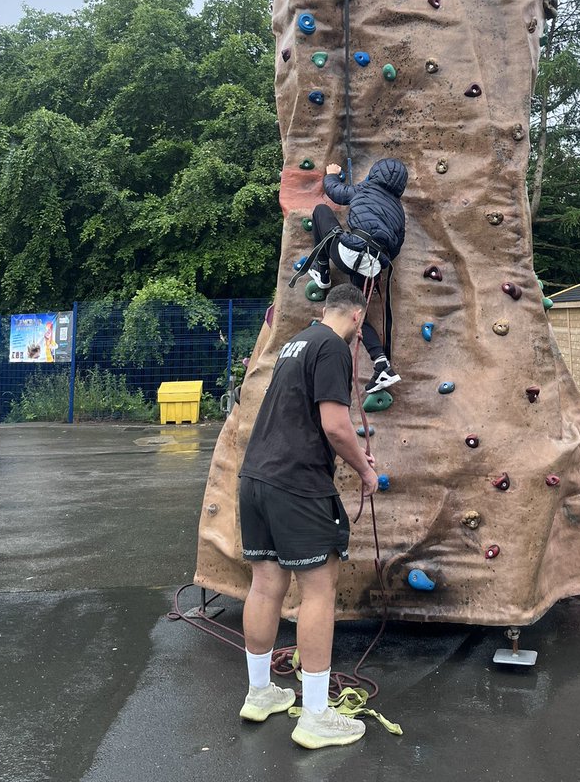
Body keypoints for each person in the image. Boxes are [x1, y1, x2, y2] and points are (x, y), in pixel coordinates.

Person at [237, 284, 379, 750]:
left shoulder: (297, 341)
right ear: (357, 317)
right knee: (318, 590)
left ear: (325, 309)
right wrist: (365, 470)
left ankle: (260, 693)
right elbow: (335, 425)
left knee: (265, 583)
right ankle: (316, 715)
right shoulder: (334, 348)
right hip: (297, 484)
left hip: (256, 477)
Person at [307, 157, 408, 393]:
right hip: (373, 267)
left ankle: (322, 272)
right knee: (358, 317)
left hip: (349, 253)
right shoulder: (399, 212)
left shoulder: (367, 187)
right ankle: (382, 364)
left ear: (375, 173)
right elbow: (397, 247)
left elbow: (337, 193)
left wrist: (331, 174)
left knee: (321, 212)